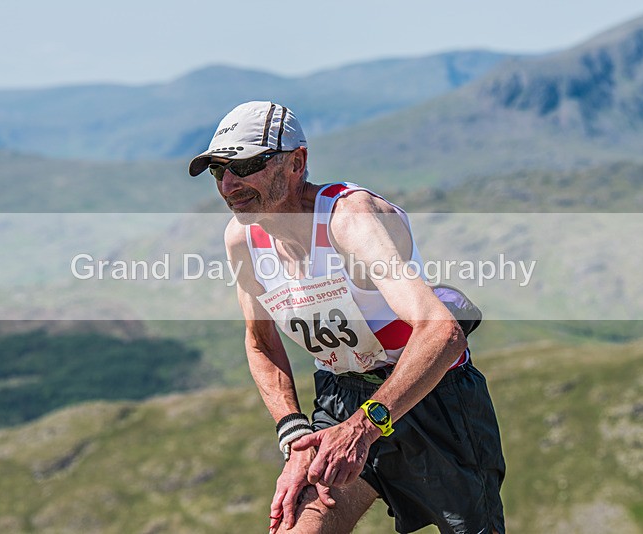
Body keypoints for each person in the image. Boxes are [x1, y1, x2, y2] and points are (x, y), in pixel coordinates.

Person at [188, 101, 505, 534]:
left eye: (245, 165)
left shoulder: (349, 218)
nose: (228, 184)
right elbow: (260, 342)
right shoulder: (242, 239)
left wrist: (364, 427)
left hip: (431, 393)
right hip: (342, 394)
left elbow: (443, 333)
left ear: (297, 162)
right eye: (218, 170)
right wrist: (295, 436)